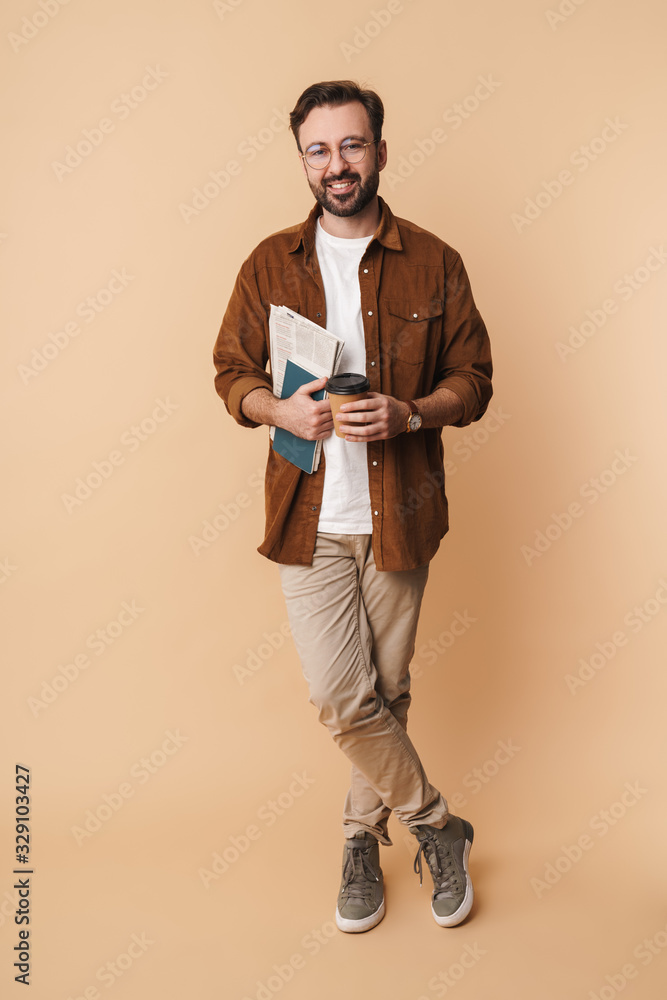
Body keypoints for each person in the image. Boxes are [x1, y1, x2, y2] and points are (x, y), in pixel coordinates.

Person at [213, 80, 492, 933]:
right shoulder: (270, 262)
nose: (337, 164)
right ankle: (438, 825)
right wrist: (277, 409)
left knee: (387, 690)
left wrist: (409, 412)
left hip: (400, 509)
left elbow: (474, 382)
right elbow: (231, 372)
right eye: (319, 149)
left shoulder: (434, 260)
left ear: (379, 148)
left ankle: (357, 844)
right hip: (307, 515)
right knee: (344, 697)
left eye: (351, 145)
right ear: (302, 158)